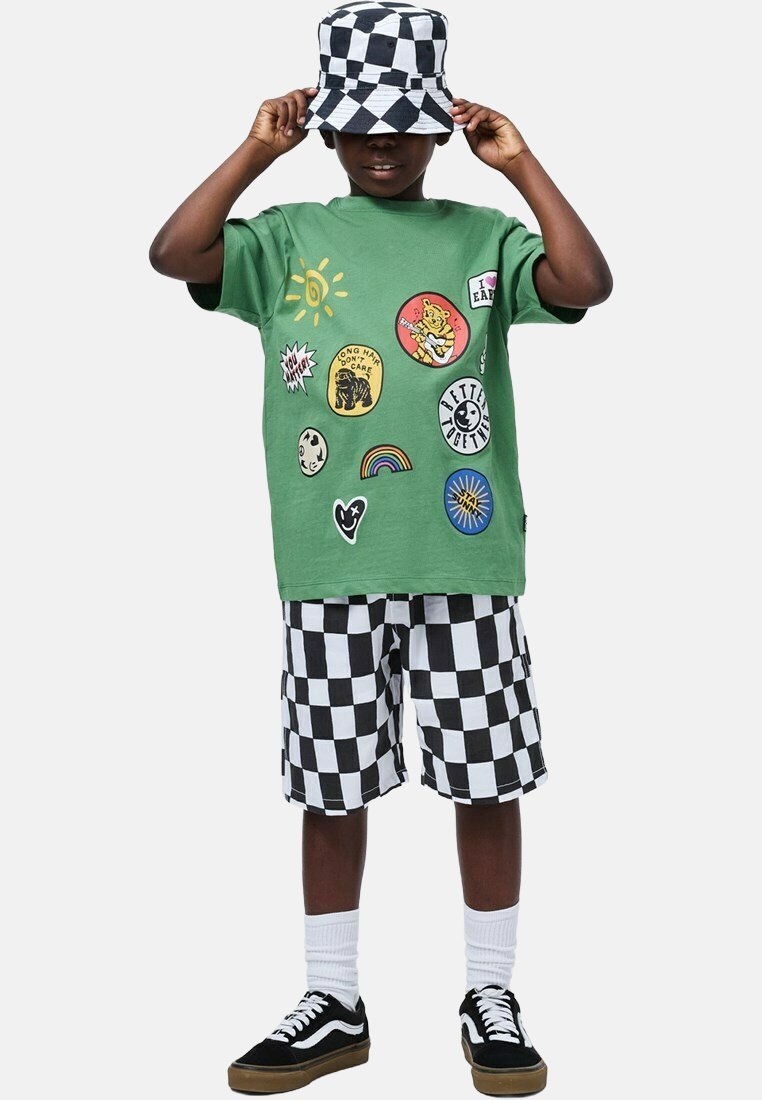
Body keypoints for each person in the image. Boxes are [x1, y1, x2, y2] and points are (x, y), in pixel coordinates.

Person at [149, 3, 612, 1094]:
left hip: (465, 562)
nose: (384, 144)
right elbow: (175, 253)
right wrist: (254, 152)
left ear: (442, 125)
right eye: (360, 125)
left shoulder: (482, 237)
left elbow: (584, 282)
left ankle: (490, 991)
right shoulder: (285, 241)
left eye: (405, 123)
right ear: (329, 130)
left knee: (485, 779)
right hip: (331, 565)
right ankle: (334, 998)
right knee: (332, 784)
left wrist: (522, 163)